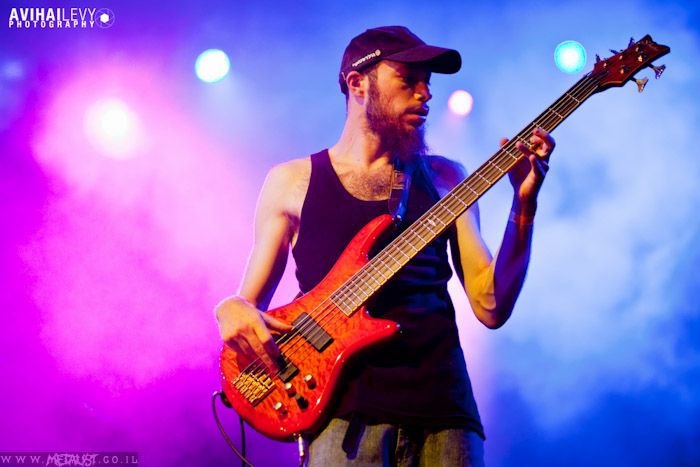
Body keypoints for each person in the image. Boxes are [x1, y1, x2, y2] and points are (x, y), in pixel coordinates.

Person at [215, 26, 554, 466]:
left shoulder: (446, 178)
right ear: (358, 84)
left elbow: (491, 306)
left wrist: (524, 206)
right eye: (408, 80)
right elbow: (247, 305)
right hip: (344, 419)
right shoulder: (292, 181)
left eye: (427, 82)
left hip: (446, 415)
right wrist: (230, 309)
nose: (425, 94)